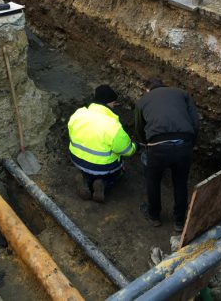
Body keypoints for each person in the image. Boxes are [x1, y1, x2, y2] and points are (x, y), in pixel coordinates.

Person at [135, 78, 199, 232]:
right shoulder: (182, 94)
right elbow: (195, 123)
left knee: (153, 180)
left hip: (157, 147)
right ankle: (179, 221)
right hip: (184, 144)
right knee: (180, 182)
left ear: (148, 89)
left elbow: (139, 128)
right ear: (164, 85)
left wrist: (146, 144)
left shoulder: (143, 101)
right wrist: (191, 143)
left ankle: (154, 216)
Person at [68, 84, 136, 203]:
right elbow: (127, 151)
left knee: (88, 169)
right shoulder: (112, 125)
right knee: (119, 170)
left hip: (76, 159)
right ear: (110, 103)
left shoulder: (78, 114)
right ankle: (104, 184)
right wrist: (135, 146)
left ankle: (86, 181)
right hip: (102, 167)